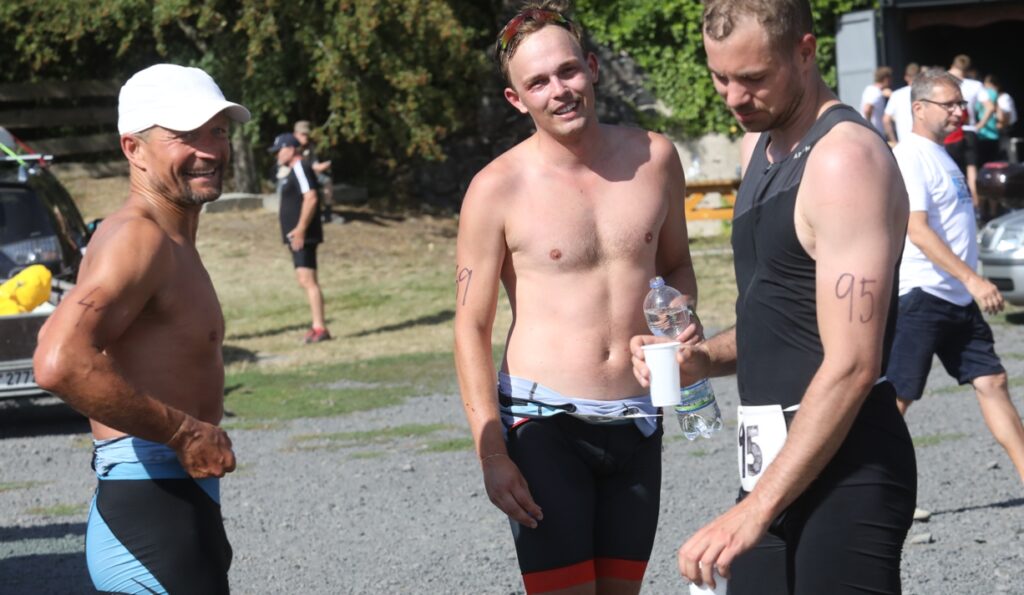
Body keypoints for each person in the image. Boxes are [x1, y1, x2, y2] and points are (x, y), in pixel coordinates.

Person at [631, 0, 915, 592]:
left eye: (753, 77)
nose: (734, 97)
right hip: (772, 461)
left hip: (846, 467)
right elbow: (783, 318)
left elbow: (853, 363)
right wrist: (703, 359)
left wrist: (754, 510)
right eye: (720, 77)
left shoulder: (844, 161)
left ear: (805, 52)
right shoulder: (759, 148)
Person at [454, 1, 701, 593]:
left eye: (567, 71)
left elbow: (676, 266)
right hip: (542, 423)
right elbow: (470, 326)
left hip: (638, 419)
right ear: (517, 99)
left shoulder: (655, 158)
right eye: (538, 82)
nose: (559, 90)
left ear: (591, 67)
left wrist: (679, 317)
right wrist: (492, 453)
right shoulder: (495, 188)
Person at [32, 63, 248, 594]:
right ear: (134, 149)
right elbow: (58, 360)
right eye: (185, 135)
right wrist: (183, 433)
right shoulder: (139, 239)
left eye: (218, 131)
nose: (210, 150)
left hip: (173, 505)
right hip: (149, 509)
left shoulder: (172, 240)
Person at [885, 69, 1024, 488]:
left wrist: (967, 284)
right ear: (919, 108)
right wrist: (974, 280)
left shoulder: (943, 154)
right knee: (897, 399)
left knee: (993, 381)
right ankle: (868, 495)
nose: (960, 111)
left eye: (961, 103)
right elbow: (917, 230)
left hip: (956, 296)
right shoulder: (910, 157)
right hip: (923, 295)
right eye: (949, 104)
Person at [269, 132, 330, 343]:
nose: (277, 155)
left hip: (303, 236)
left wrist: (301, 229)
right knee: (304, 280)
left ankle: (320, 328)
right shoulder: (294, 170)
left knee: (308, 280)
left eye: (279, 150)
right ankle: (317, 326)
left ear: (291, 149)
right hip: (297, 236)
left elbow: (311, 197)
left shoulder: (300, 168)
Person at [945, 54, 993, 201]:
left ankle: (958, 202)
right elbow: (990, 107)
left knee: (951, 170)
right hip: (969, 130)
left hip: (950, 131)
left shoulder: (943, 81)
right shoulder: (975, 85)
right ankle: (976, 204)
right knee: (971, 169)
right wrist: (979, 125)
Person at [293, 120, 336, 223]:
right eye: (303, 134)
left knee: (327, 180)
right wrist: (314, 167)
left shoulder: (310, 146)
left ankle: (327, 212)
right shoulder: (291, 146)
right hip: (295, 175)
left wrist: (322, 166)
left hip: (311, 173)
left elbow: (314, 163)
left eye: (307, 134)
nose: (305, 137)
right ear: (295, 134)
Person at [883, 62, 920, 145]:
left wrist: (894, 141)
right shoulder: (925, 93)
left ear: (906, 77)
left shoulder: (896, 95)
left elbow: (886, 120)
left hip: (903, 143)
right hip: (924, 142)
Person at [860, 66, 892, 135]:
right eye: (890, 79)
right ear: (886, 79)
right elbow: (867, 109)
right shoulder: (876, 92)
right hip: (875, 134)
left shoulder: (870, 89)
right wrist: (870, 127)